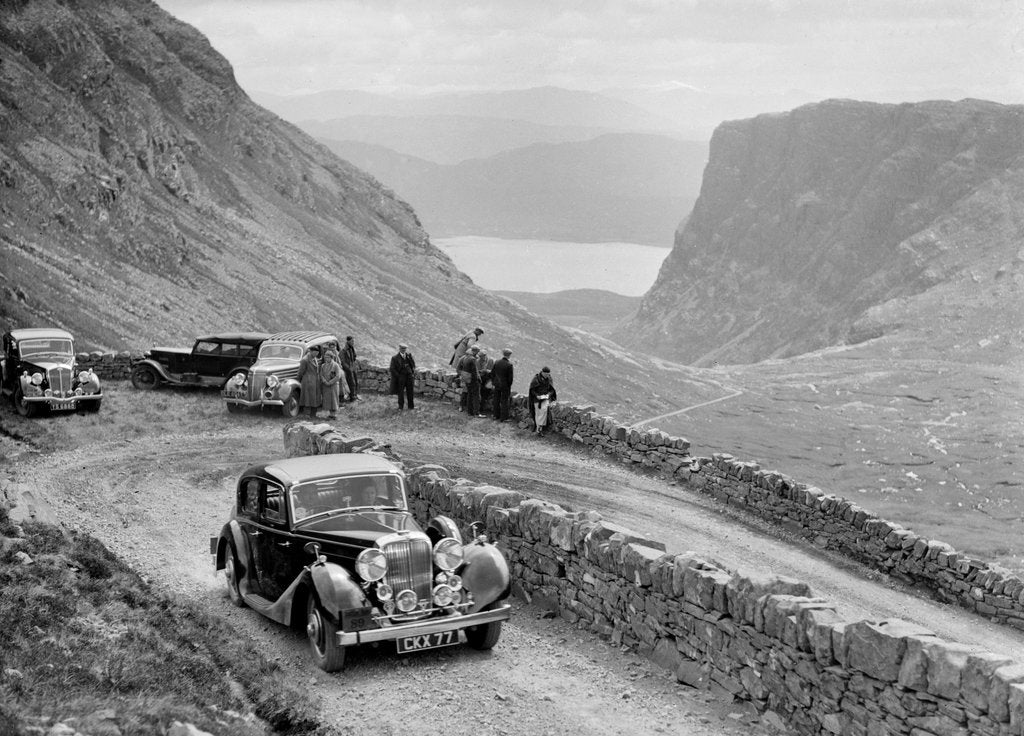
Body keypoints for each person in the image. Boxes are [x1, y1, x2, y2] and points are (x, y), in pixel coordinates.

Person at [528, 366, 557, 435]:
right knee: (538, 413)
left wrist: (549, 395)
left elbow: (552, 390)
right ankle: (538, 428)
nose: (547, 375)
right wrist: (537, 396)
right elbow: (532, 390)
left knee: (544, 411)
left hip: (545, 398)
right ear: (542, 372)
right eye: (546, 374)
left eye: (548, 374)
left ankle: (540, 428)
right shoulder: (536, 379)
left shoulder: (549, 379)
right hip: (537, 399)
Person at [296, 345, 322, 418]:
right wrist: (299, 379)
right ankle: (307, 414)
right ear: (311, 351)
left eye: (317, 352)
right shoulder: (305, 360)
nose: (316, 354)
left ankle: (313, 414)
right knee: (307, 398)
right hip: (308, 380)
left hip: (315, 380)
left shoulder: (314, 358)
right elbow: (301, 372)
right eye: (315, 352)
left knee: (315, 397)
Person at [389, 343, 417, 410]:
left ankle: (411, 407)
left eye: (404, 348)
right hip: (401, 377)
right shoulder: (395, 358)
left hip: (409, 376)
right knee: (400, 392)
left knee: (410, 392)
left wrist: (412, 373)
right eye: (402, 348)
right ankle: (400, 407)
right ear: (399, 349)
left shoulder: (409, 356)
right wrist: (398, 376)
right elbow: (392, 369)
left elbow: (413, 364)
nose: (403, 350)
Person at [457, 344, 483, 416]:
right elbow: (474, 371)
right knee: (476, 397)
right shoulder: (473, 359)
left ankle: (469, 412)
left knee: (469, 395)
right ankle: (476, 412)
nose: (478, 353)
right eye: (477, 351)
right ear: (475, 351)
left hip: (467, 379)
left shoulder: (466, 358)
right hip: (473, 381)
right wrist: (478, 380)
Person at [319, 348, 343, 420]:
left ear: (331, 357)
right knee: (327, 399)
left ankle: (334, 414)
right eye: (325, 357)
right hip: (325, 385)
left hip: (333, 385)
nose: (327, 359)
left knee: (334, 399)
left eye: (328, 357)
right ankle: (330, 414)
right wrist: (324, 381)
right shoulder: (323, 365)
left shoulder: (335, 365)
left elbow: (338, 376)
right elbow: (321, 374)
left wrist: (330, 382)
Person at [491, 348, 514, 421]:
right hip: (505, 385)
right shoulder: (509, 365)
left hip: (497, 384)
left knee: (496, 399)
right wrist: (509, 385)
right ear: (509, 355)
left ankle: (495, 415)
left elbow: (492, 373)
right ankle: (504, 417)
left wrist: (494, 381)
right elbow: (510, 378)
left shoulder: (497, 362)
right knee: (504, 401)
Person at [340, 335, 360, 402]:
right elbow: (343, 362)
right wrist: (348, 368)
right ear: (348, 341)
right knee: (351, 383)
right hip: (348, 370)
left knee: (356, 382)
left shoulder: (352, 349)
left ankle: (355, 395)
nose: (353, 342)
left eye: (353, 341)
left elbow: (354, 357)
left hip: (353, 368)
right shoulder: (343, 351)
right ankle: (352, 397)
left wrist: (354, 366)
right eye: (352, 341)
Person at [477, 346, 495, 415]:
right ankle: (480, 409)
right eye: (482, 356)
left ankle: (482, 408)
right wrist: (483, 371)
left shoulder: (490, 360)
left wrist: (488, 371)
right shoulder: (478, 361)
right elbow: (478, 372)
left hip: (488, 380)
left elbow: (493, 371)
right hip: (481, 380)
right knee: (481, 394)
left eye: (484, 355)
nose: (483, 357)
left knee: (485, 395)